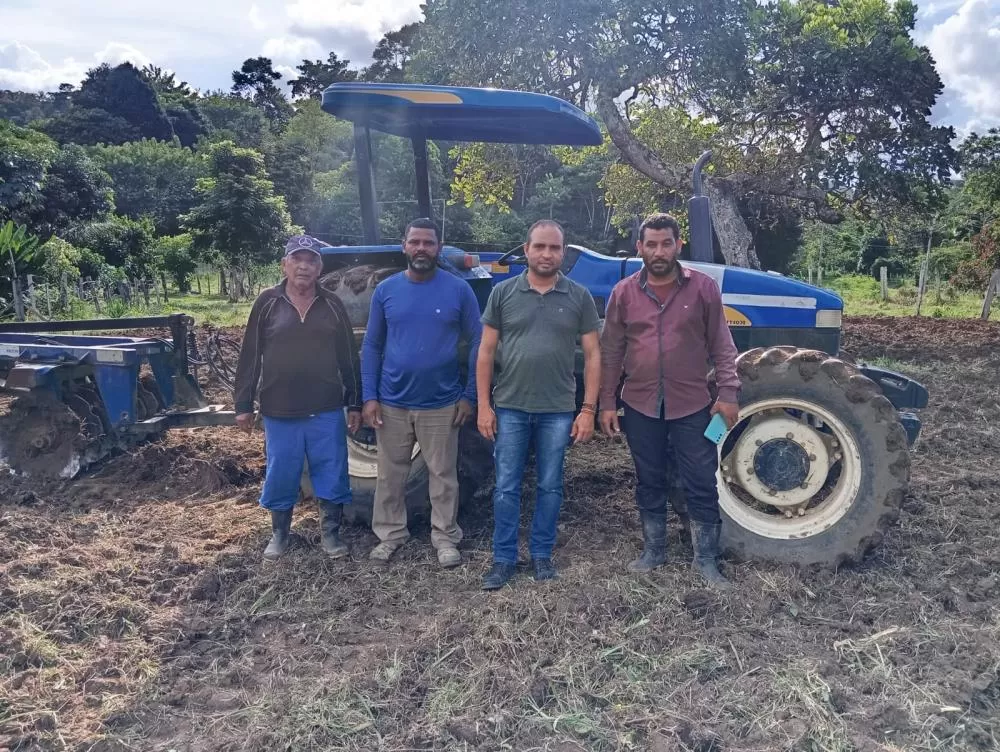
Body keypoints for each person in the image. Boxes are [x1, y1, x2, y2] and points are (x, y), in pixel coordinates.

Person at [598, 213, 740, 587]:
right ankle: (654, 550)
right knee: (649, 478)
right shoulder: (624, 294)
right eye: (651, 244)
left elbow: (722, 346)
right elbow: (611, 352)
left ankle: (707, 559)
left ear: (679, 245)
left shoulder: (704, 289)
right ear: (639, 248)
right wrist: (606, 403)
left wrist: (728, 392)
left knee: (700, 479)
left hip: (693, 404)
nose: (659, 251)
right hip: (641, 403)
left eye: (666, 243)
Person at [477, 219, 601, 590]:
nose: (547, 254)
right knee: (506, 487)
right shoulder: (502, 293)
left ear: (563, 253)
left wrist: (589, 409)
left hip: (558, 410)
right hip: (511, 406)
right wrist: (484, 406)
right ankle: (503, 560)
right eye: (540, 247)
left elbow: (594, 355)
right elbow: (485, 352)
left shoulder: (579, 296)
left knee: (550, 485)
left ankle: (542, 555)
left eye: (555, 248)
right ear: (526, 250)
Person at [361, 218, 482, 568]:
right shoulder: (386, 291)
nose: (421, 249)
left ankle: (445, 537)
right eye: (415, 242)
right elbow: (371, 345)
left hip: (442, 402)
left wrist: (470, 395)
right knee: (389, 474)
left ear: (438, 248)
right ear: (404, 246)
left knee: (443, 475)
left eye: (428, 243)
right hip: (393, 401)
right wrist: (370, 395)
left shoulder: (459, 290)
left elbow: (479, 342)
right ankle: (390, 535)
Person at [234, 235, 362, 560]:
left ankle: (330, 534)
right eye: (297, 259)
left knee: (332, 470)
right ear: (285, 264)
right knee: (281, 472)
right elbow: (250, 354)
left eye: (311, 260)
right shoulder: (267, 302)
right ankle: (280, 534)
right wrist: (243, 405)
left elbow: (349, 357)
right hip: (280, 408)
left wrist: (355, 402)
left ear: (320, 267)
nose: (304, 266)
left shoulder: (333, 303)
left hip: (326, 407)